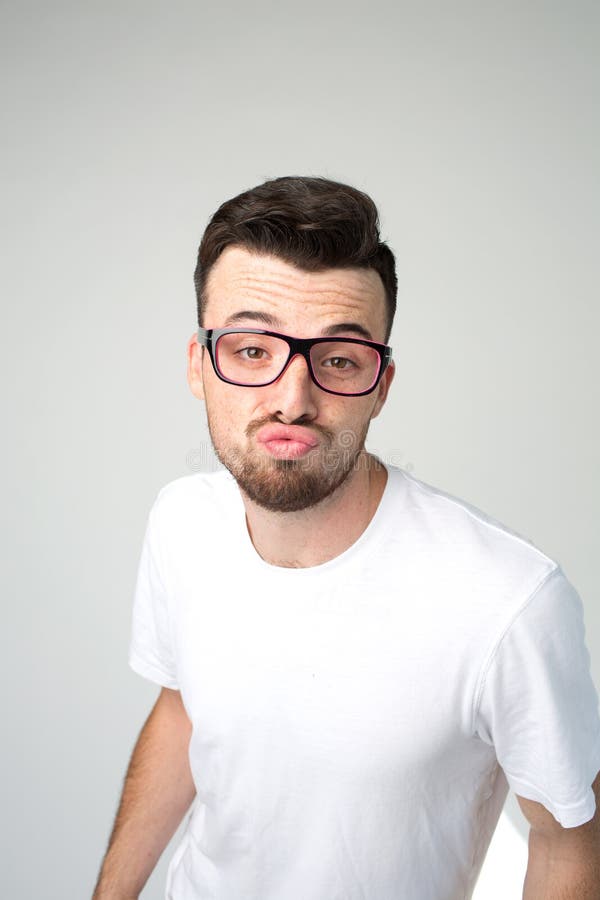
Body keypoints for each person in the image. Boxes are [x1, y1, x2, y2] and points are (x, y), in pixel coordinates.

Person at [93, 176, 600, 900]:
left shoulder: (507, 602)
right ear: (199, 366)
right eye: (250, 349)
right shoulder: (182, 523)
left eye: (338, 360)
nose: (292, 400)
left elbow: (570, 838)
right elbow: (183, 711)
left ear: (382, 383)